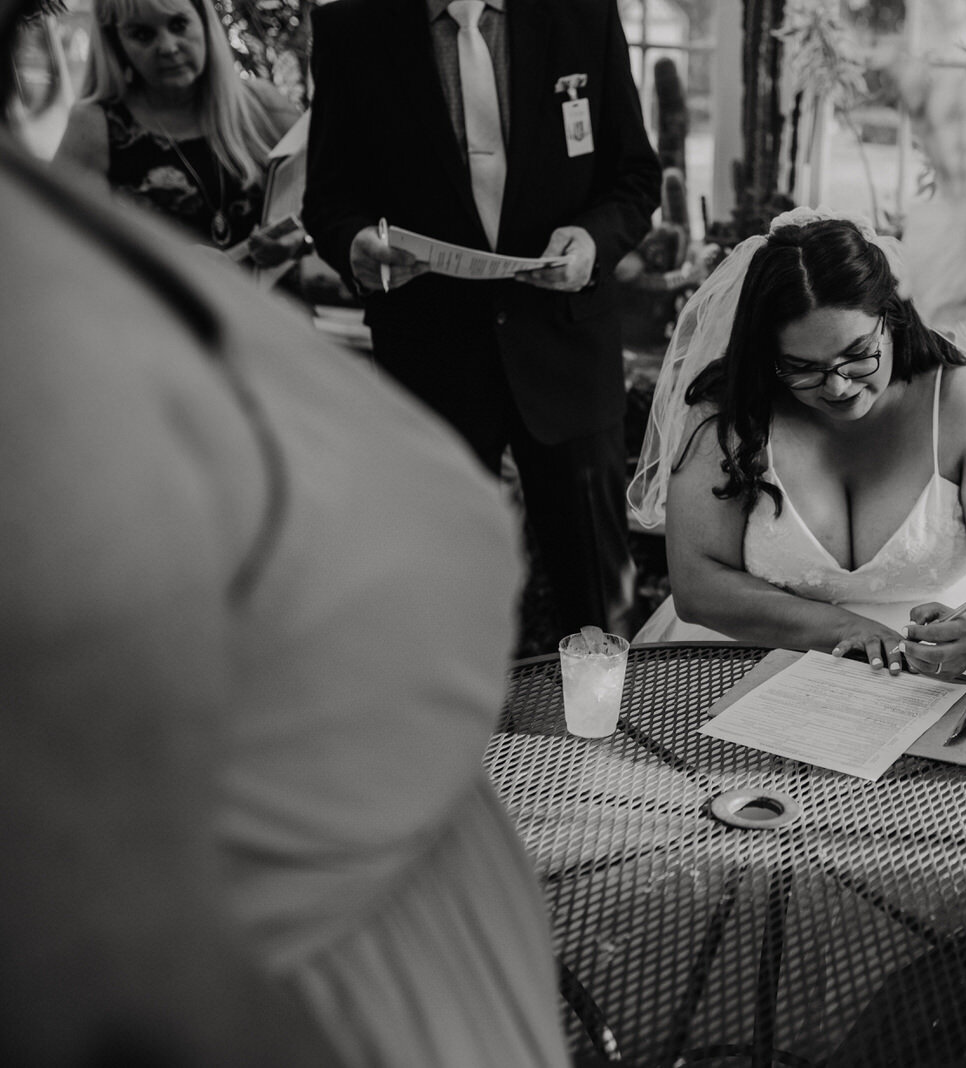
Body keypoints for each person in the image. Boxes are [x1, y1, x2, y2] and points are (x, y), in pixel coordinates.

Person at [0, 5, 572, 1063]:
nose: (149, 49)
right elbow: (104, 968)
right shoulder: (33, 322)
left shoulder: (49, 215)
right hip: (317, 1009)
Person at [302, 0, 662, 648]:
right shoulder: (349, 28)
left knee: (600, 602)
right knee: (442, 598)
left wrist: (590, 239)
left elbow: (634, 175)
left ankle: (611, 739)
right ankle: (471, 744)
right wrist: (355, 242)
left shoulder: (582, 13)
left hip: (567, 349)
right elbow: (328, 198)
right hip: (430, 360)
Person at [629, 210, 966, 698]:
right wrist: (842, 629)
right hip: (752, 661)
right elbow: (696, 584)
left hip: (934, 680)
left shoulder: (964, 401)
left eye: (859, 354)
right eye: (802, 368)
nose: (838, 386)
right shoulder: (727, 412)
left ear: (893, 317)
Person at [54, 0, 305, 268]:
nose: (168, 47)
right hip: (161, 307)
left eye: (179, 25)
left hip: (269, 306)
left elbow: (328, 212)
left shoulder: (264, 107)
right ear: (115, 43)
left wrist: (299, 241)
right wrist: (163, 261)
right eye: (142, 34)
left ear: (205, 22)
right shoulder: (94, 127)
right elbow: (64, 247)